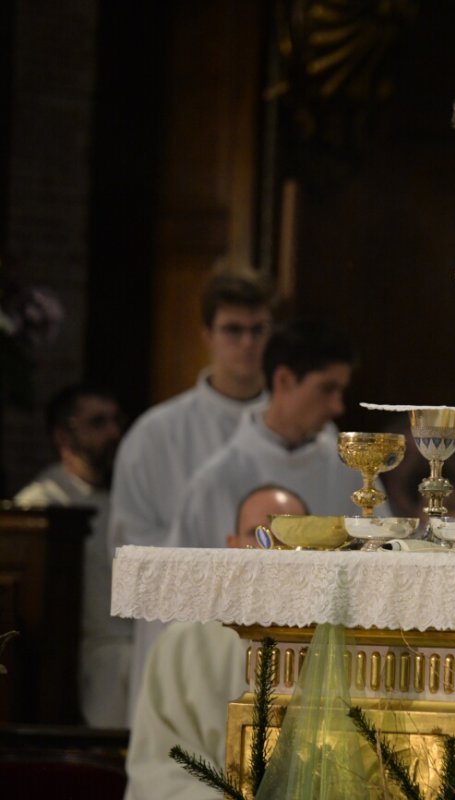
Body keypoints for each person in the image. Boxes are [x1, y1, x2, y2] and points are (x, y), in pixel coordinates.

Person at [109, 267, 275, 723]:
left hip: (271, 648)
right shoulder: (154, 435)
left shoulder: (303, 436)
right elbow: (127, 558)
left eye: (258, 330)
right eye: (233, 330)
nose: (247, 343)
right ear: (207, 335)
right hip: (178, 641)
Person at [123, 485, 308, 800]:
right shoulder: (183, 644)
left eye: (287, 533)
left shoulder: (336, 645)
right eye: (257, 533)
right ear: (232, 546)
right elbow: (160, 762)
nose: (271, 547)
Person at [167, 319, 364, 549]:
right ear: (284, 380)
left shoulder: (348, 471)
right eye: (327, 389)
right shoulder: (214, 482)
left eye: (341, 391)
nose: (337, 407)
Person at [13, 382, 128, 727]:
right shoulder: (40, 505)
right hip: (79, 656)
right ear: (63, 437)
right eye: (98, 423)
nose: (113, 432)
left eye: (116, 421)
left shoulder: (121, 502)